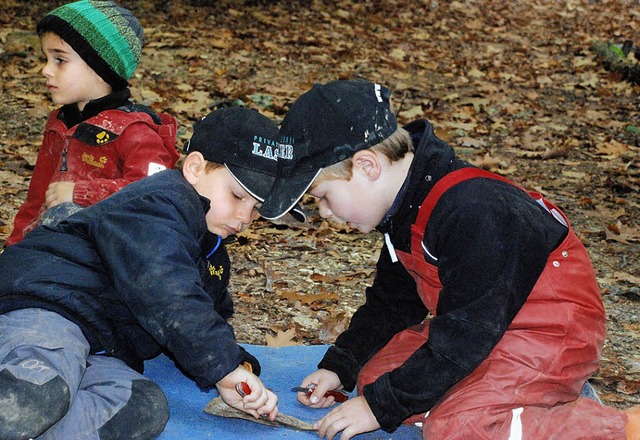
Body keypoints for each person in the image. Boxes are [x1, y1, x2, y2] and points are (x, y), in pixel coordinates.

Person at [259, 79, 640, 440]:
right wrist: (341, 366)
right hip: (485, 327)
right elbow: (391, 304)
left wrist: (380, 407)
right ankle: (514, 400)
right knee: (375, 377)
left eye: (322, 196)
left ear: (367, 166)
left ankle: (619, 427)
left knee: (456, 427)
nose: (324, 212)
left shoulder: (474, 210)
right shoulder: (401, 209)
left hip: (549, 335)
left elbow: (466, 332)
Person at [0, 106, 294, 439]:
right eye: (238, 196)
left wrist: (240, 371)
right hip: (51, 309)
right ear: (195, 168)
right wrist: (222, 367)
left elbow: (203, 318)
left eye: (255, 208)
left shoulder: (212, 254)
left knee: (141, 406)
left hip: (100, 346)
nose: (244, 218)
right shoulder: (161, 202)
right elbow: (167, 291)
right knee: (36, 392)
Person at [5, 0, 179, 247]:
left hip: (114, 255)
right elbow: (37, 199)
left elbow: (154, 196)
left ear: (100, 69)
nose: (45, 70)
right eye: (46, 58)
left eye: (60, 60)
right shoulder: (59, 123)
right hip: (52, 250)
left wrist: (80, 193)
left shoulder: (136, 132)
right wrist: (13, 249)